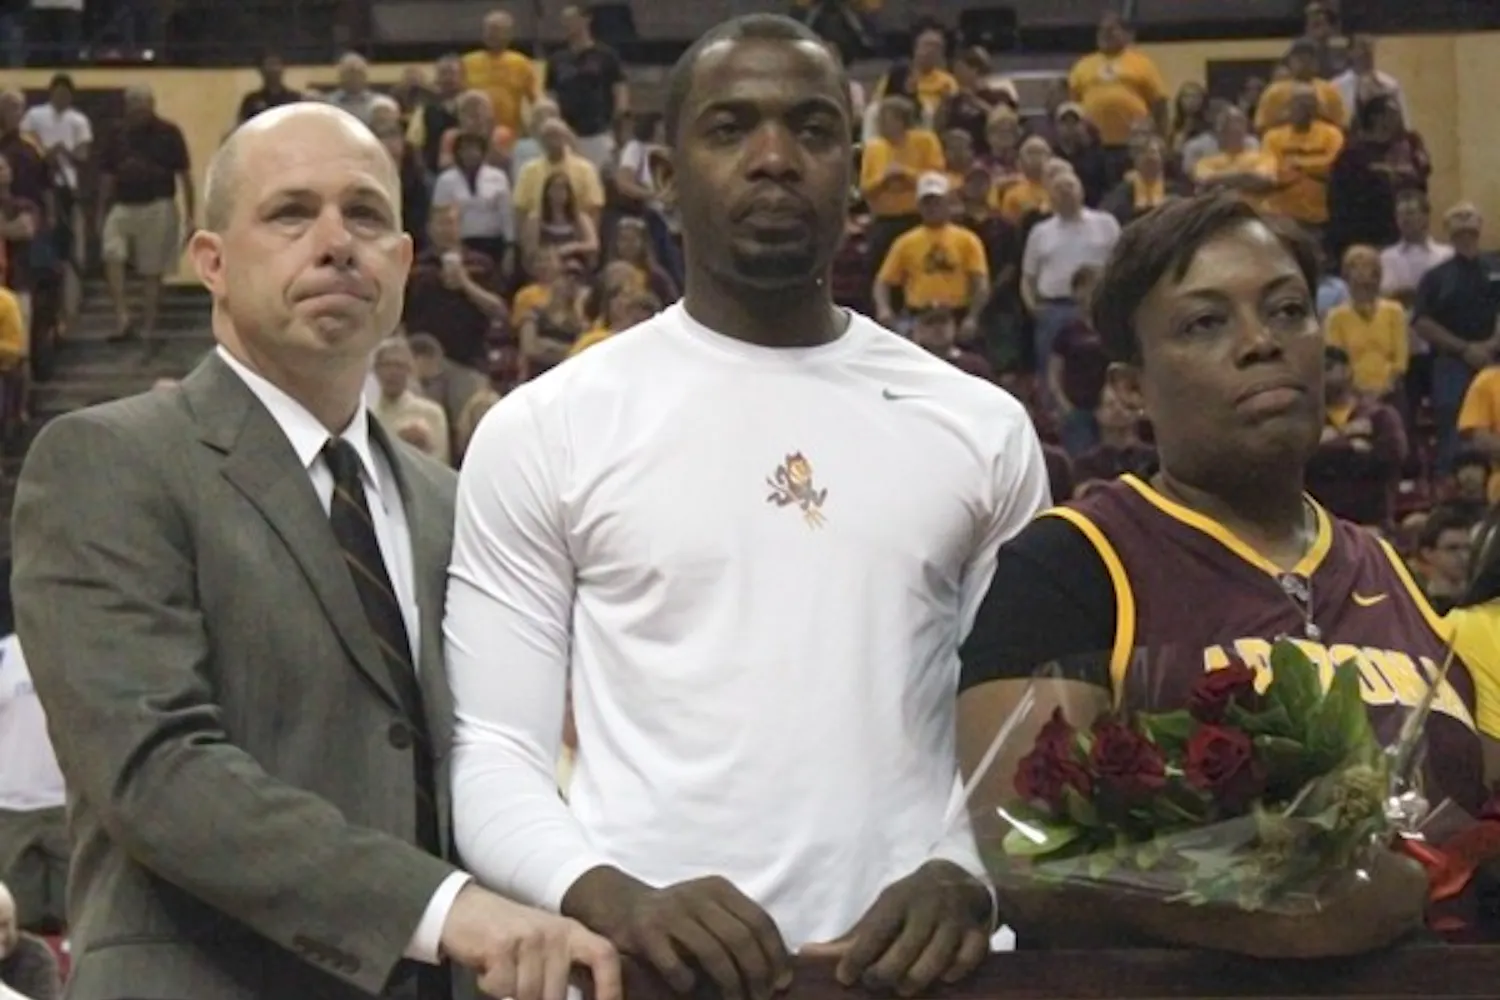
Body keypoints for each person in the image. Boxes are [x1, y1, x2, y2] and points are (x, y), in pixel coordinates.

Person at [446, 15, 1049, 1000]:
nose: (773, 159)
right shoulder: (545, 427)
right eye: (730, 129)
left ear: (854, 170)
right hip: (651, 973)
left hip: (920, 973)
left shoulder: (980, 428)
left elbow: (1028, 739)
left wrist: (969, 876)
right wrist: (610, 894)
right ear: (662, 173)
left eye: (811, 130)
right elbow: (495, 752)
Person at [10, 103, 619, 1000]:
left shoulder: (452, 502)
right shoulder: (107, 462)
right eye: (291, 212)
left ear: (405, 267)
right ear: (210, 261)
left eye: (366, 215)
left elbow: (488, 760)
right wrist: (446, 909)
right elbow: (158, 770)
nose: (336, 242)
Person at [956, 193, 1494, 956]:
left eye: (1286, 310)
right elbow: (1022, 852)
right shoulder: (1075, 563)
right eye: (1205, 323)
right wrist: (1284, 911)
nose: (1261, 343)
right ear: (1131, 388)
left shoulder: (1386, 569)